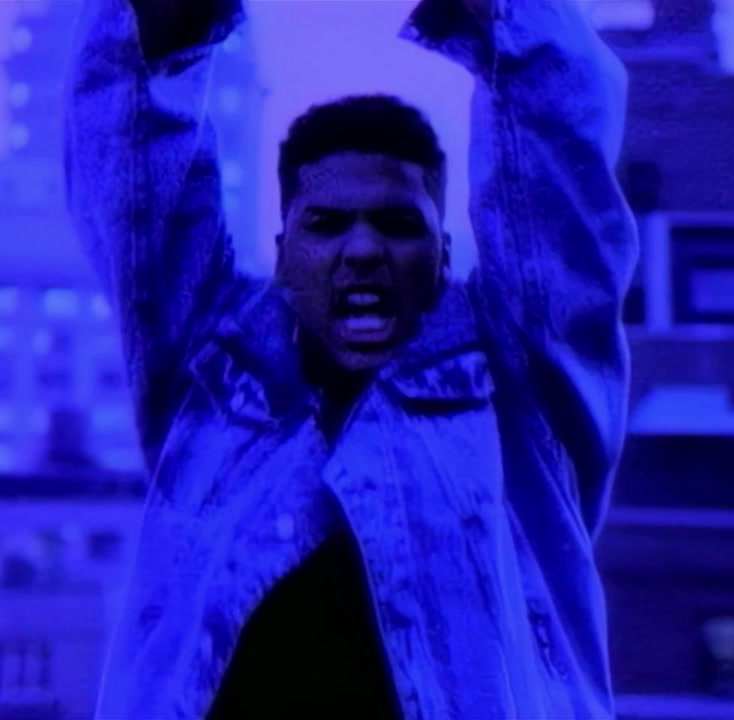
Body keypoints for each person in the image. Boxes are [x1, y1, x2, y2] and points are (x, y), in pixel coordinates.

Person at [66, 0, 637, 717]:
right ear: (283, 256)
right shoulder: (212, 379)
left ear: (442, 255)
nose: (362, 250)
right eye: (327, 224)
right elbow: (134, 172)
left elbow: (557, 173)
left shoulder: (522, 399)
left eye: (397, 224)